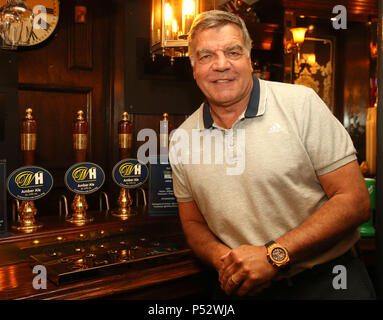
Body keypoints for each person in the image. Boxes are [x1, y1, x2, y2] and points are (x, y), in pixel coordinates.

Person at [168, 10, 376, 299]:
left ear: (249, 58)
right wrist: (230, 265)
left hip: (328, 283)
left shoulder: (301, 105)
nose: (221, 64)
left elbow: (354, 202)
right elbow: (193, 224)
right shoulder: (181, 140)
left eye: (233, 51)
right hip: (244, 290)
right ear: (193, 67)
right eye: (205, 56)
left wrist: (273, 256)